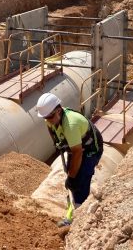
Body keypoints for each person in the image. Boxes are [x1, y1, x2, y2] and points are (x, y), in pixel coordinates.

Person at [36, 92, 104, 227]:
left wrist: (72, 177)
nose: (48, 119)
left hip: (90, 149)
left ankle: (78, 217)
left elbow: (77, 152)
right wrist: (58, 145)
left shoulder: (71, 125)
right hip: (77, 147)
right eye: (45, 117)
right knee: (71, 178)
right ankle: (72, 209)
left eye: (50, 116)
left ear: (59, 111)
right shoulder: (51, 119)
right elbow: (51, 130)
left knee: (79, 180)